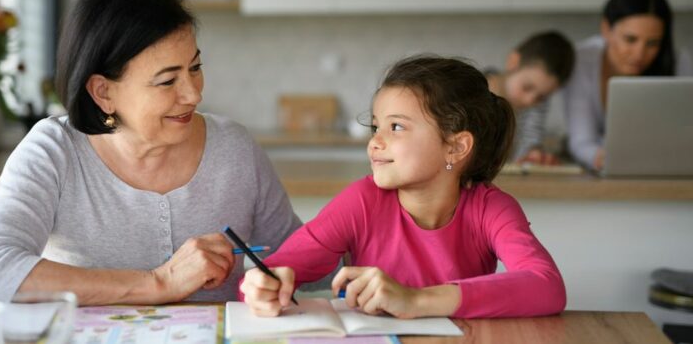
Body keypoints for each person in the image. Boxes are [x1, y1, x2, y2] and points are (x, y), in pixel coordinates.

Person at [0, 0, 303, 307]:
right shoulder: (54, 152)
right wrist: (159, 283)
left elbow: (305, 261)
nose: (194, 93)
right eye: (167, 80)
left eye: (195, 68)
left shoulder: (235, 149)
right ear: (104, 92)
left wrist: (287, 278)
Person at [239, 55, 566, 319]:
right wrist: (261, 287)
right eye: (376, 126)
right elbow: (268, 275)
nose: (375, 142)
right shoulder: (362, 201)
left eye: (396, 127)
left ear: (456, 147)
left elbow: (547, 286)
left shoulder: (491, 209)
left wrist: (416, 301)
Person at [564, 0, 693, 171]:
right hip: (607, 170)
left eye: (653, 43)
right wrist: (601, 158)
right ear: (606, 29)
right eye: (630, 39)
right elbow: (581, 140)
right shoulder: (582, 60)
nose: (640, 54)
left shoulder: (679, 62)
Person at [485, 31, 575, 164]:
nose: (530, 100)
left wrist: (533, 154)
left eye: (542, 97)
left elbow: (527, 148)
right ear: (513, 62)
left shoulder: (536, 104)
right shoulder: (477, 94)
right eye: (527, 87)